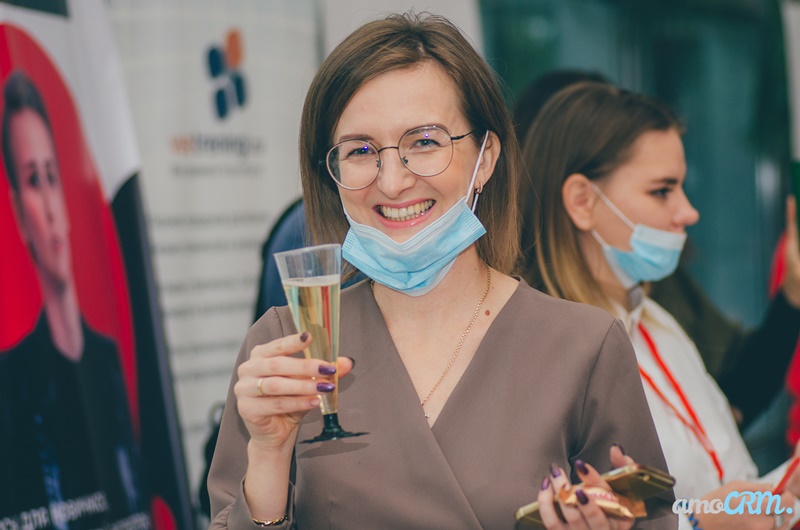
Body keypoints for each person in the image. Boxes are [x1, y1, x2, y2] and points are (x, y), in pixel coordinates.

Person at [208, 12, 675, 530]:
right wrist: (269, 454)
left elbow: (647, 514)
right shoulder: (287, 347)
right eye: (360, 150)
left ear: (486, 157)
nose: (392, 181)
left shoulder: (584, 345)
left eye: (425, 142)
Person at [519, 81, 800, 529]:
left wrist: (785, 492)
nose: (689, 212)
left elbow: (725, 486)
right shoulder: (542, 354)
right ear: (582, 202)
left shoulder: (656, 321)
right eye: (662, 190)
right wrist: (696, 524)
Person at [0, 70, 150, 528]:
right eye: (33, 180)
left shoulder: (110, 362)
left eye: (52, 177)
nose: (49, 205)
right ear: (18, 213)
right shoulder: (11, 382)